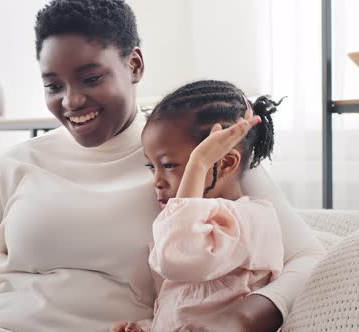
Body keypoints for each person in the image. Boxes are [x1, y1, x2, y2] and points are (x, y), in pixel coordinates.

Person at [0, 1, 325, 331]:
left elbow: (309, 257)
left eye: (91, 77)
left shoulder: (195, 156)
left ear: (134, 64)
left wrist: (254, 312)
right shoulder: (19, 164)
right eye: (54, 85)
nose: (72, 100)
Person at [111, 81, 286, 332]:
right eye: (152, 166)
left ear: (225, 164)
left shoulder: (251, 220)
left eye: (169, 165)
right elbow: (189, 310)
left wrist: (200, 163)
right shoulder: (190, 223)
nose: (157, 182)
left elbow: (176, 259)